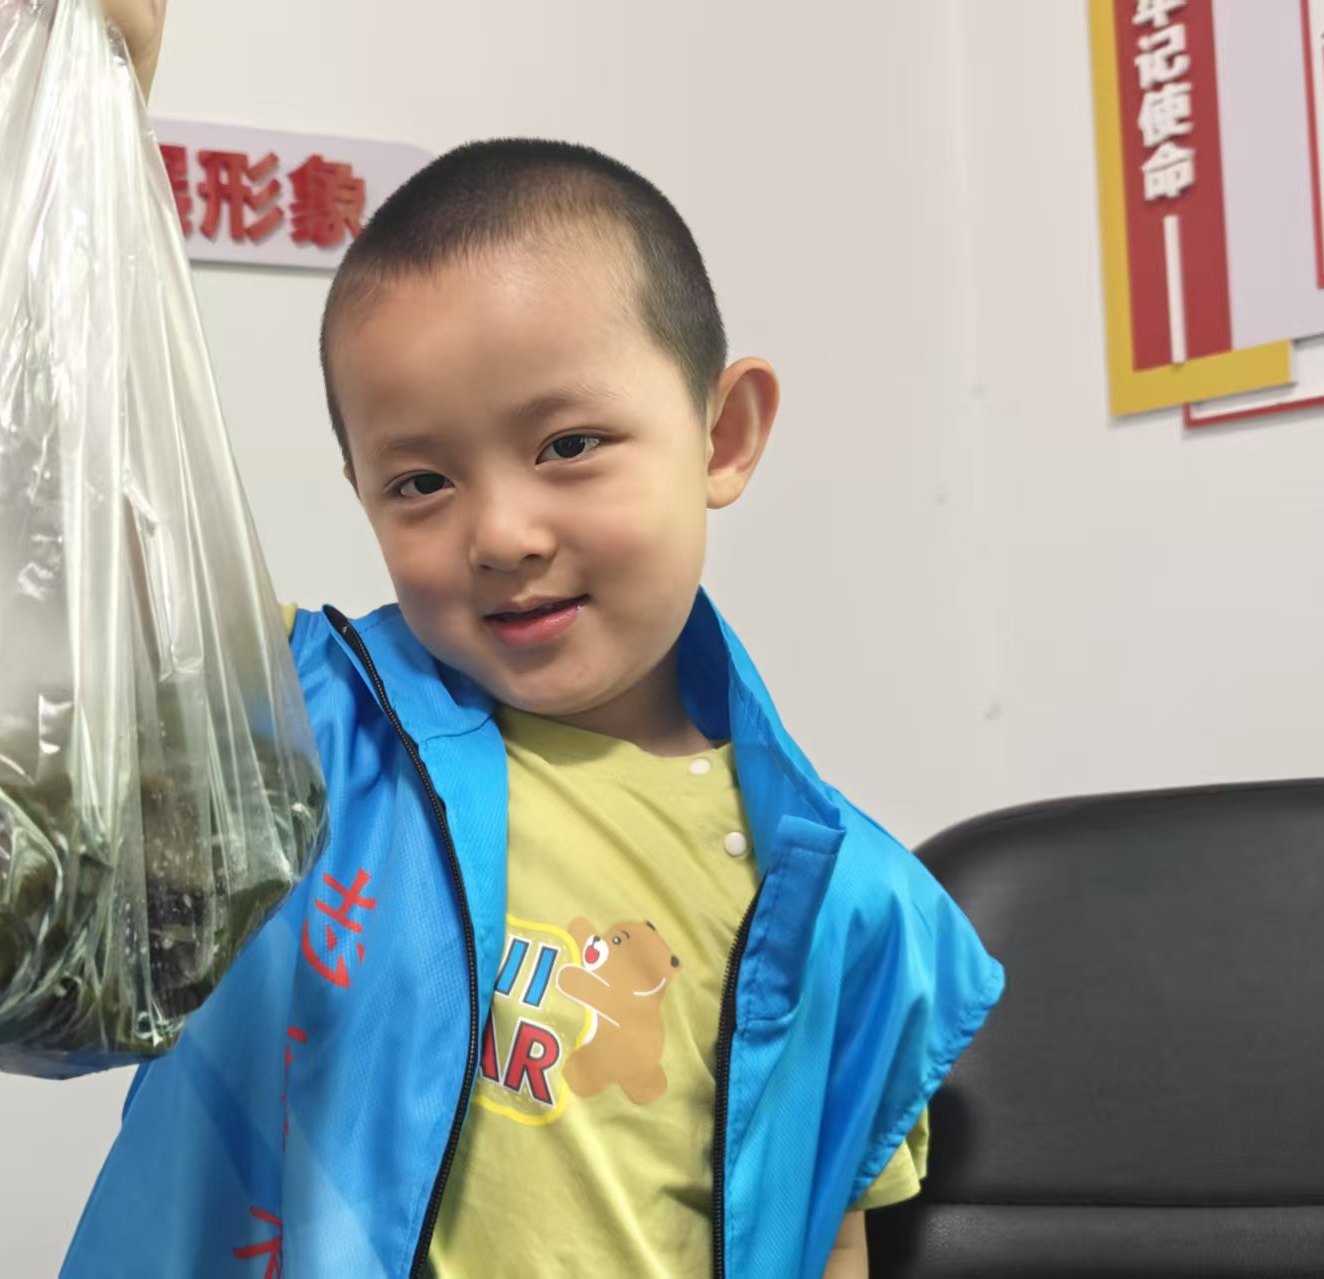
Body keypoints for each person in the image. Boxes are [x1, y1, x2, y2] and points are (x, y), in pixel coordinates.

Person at [64, 4, 1003, 1275]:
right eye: (419, 483)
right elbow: (98, 522)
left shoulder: (854, 907)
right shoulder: (310, 732)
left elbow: (824, 1230)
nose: (500, 534)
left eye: (568, 445)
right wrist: (84, 115)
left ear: (723, 436)